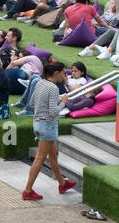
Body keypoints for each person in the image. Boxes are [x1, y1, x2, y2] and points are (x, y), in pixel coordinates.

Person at [21, 60, 77, 200]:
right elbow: (53, 112)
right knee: (40, 158)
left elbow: (32, 103)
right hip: (48, 126)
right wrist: (62, 102)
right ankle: (27, 190)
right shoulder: (53, 88)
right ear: (56, 73)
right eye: (63, 73)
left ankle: (62, 183)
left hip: (38, 123)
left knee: (53, 154)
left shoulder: (40, 83)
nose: (64, 76)